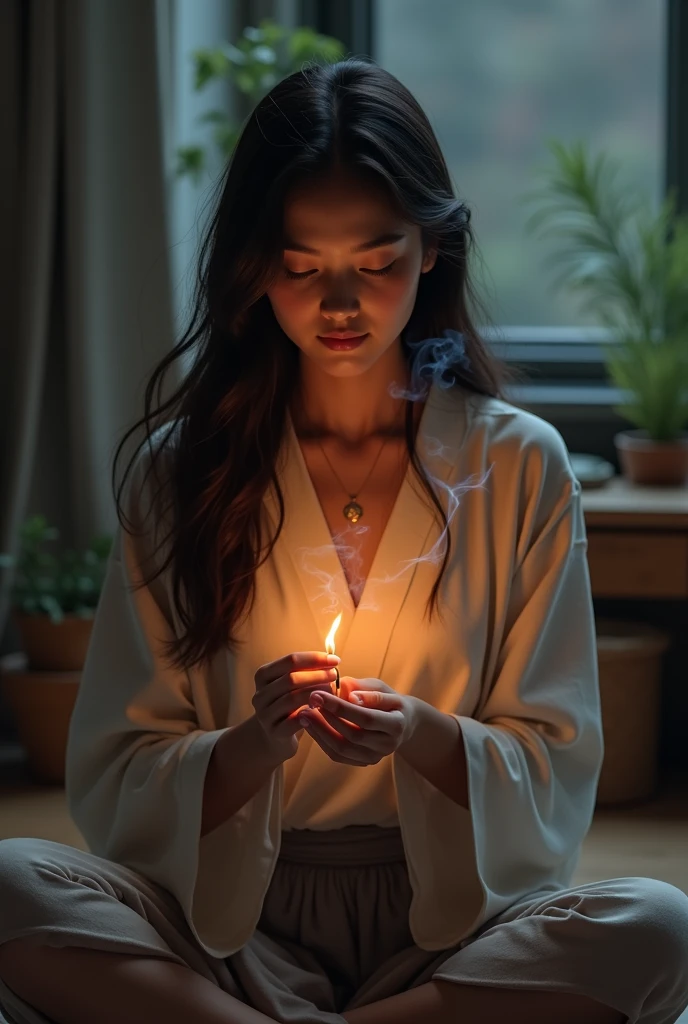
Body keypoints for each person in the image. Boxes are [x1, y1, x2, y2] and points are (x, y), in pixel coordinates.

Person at [0, 57, 687, 1024]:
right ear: (251, 266)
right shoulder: (179, 473)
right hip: (226, 924)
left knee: (657, 924)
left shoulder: (520, 467)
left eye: (376, 262)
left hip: (449, 929)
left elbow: (556, 762)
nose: (339, 305)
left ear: (432, 251)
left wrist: (421, 732)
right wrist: (248, 745)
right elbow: (115, 770)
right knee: (10, 881)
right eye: (298, 265)